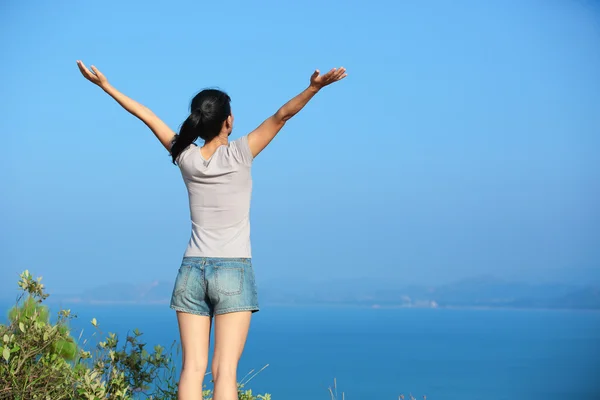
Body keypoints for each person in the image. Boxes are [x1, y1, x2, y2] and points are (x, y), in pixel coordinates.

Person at [76, 60, 347, 400]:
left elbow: (145, 115)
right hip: (233, 269)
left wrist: (106, 85)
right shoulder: (241, 154)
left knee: (192, 369)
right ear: (228, 122)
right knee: (225, 372)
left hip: (192, 270)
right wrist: (314, 87)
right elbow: (282, 115)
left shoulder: (185, 157)